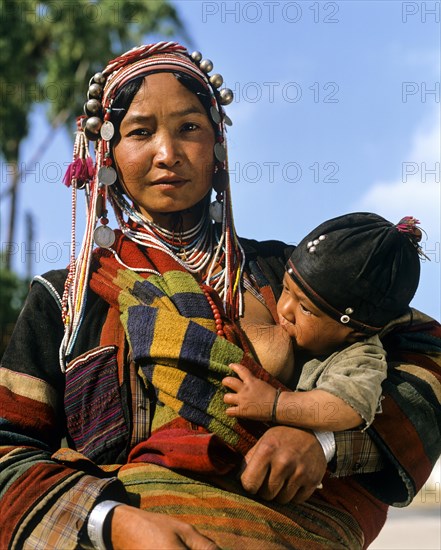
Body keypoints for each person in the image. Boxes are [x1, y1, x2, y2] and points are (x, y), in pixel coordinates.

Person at [0, 42, 440, 550]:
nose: (168, 154)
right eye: (141, 132)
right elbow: (10, 455)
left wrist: (324, 441)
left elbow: (428, 356)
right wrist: (113, 521)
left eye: (189, 128)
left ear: (218, 145)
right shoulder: (68, 301)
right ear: (107, 154)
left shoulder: (293, 274)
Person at [223, 212, 424, 433]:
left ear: (354, 332)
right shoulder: (262, 267)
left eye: (306, 309)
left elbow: (348, 406)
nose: (285, 310)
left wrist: (275, 404)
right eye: (286, 289)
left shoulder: (360, 356)